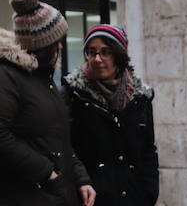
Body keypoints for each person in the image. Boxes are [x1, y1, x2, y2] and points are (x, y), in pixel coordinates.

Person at [0, 0, 96, 206]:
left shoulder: (41, 76)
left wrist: (79, 178)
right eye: (56, 41)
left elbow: (57, 138)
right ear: (41, 44)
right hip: (22, 195)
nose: (60, 46)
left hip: (51, 193)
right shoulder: (1, 74)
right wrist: (47, 173)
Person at [63, 25, 159, 205]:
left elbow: (148, 150)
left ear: (119, 56)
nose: (97, 59)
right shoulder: (73, 96)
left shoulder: (140, 98)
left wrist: (149, 191)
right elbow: (65, 148)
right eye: (92, 52)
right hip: (90, 199)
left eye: (105, 52)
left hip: (134, 198)